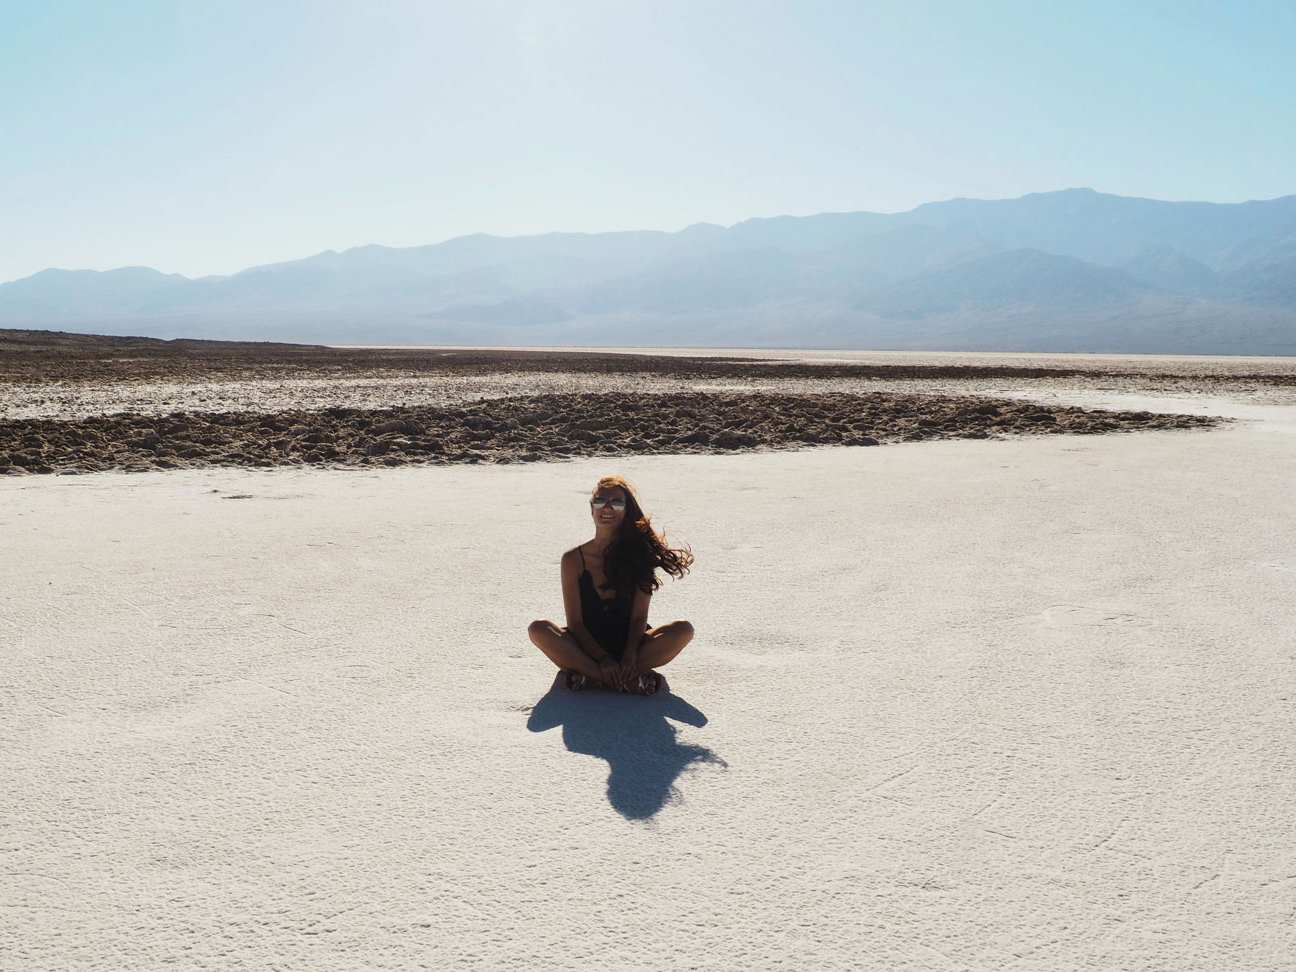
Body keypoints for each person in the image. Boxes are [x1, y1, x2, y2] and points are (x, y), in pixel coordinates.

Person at [528, 476, 694, 695]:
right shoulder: (573, 559)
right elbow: (576, 623)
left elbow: (638, 618)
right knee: (538, 629)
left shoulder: (639, 556)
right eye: (600, 501)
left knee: (683, 630)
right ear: (591, 509)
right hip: (585, 647)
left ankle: (591, 678)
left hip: (631, 645)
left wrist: (630, 655)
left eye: (616, 502)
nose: (607, 507)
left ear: (626, 513)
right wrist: (604, 660)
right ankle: (622, 680)